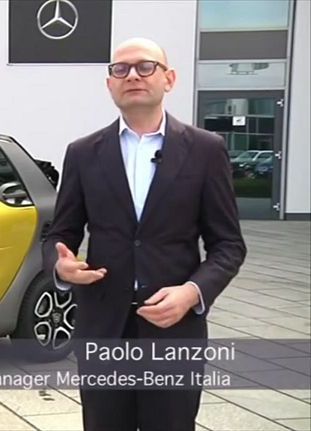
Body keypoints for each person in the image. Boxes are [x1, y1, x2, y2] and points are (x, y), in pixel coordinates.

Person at [41, 37, 247, 431]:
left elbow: (228, 245)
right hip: (103, 329)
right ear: (109, 84)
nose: (132, 75)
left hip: (175, 330)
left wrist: (192, 293)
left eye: (145, 66)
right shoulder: (82, 152)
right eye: (120, 69)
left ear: (169, 79)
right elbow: (60, 234)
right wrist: (60, 266)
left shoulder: (206, 150)